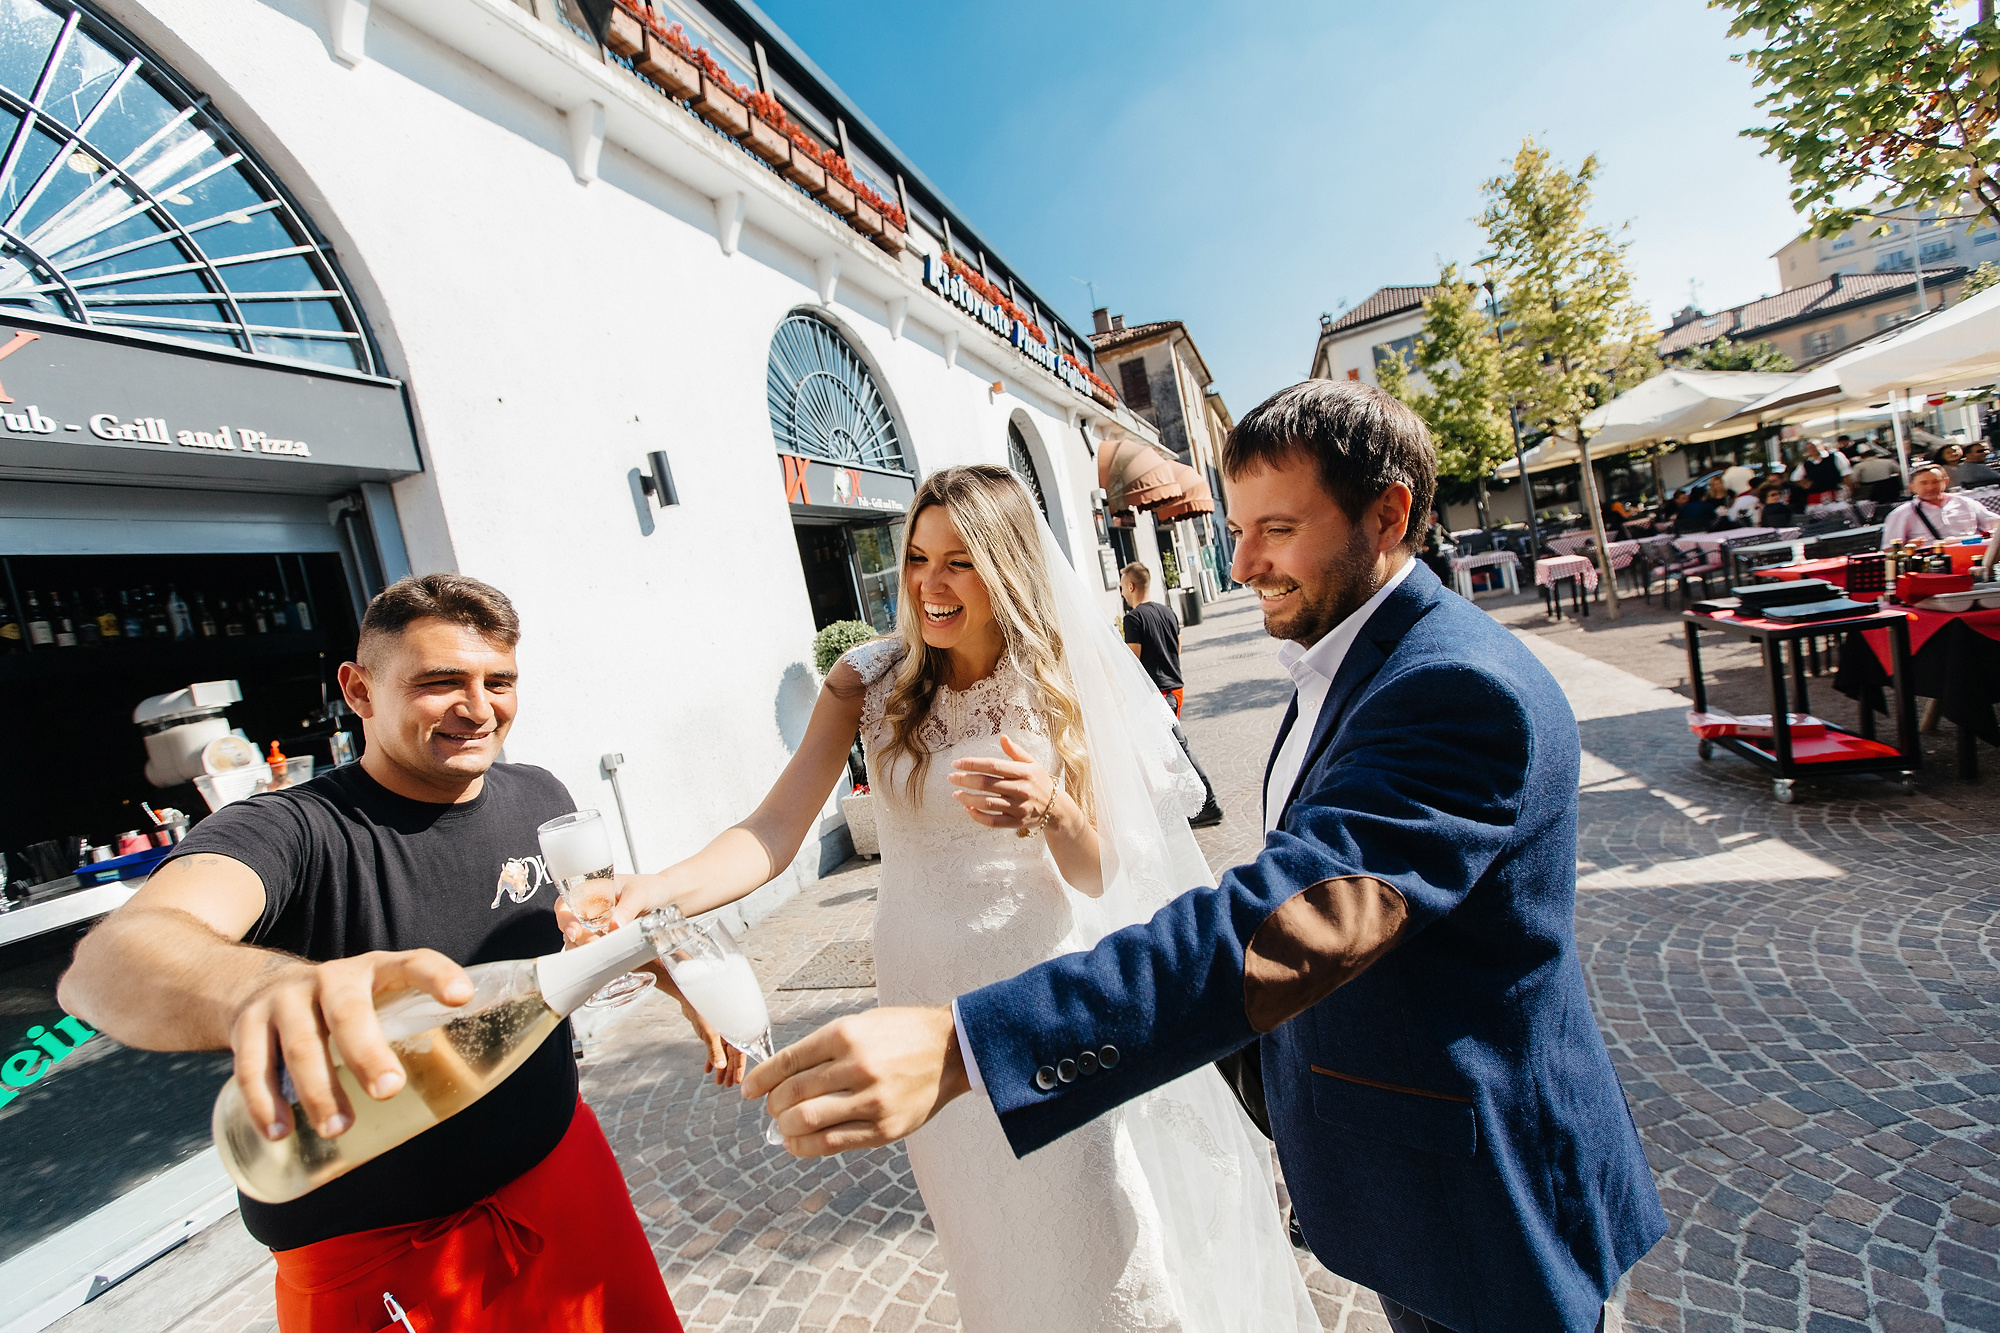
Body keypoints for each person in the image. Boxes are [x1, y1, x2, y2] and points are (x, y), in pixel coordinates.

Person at [745, 382, 1667, 1333]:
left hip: (1485, 1192)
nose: (1242, 561)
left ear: (1388, 513)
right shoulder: (1353, 660)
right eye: (1237, 526)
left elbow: (1285, 916)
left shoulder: (1451, 685)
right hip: (1408, 1179)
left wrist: (969, 1044)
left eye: (1276, 527)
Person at [598, 465, 1316, 1333]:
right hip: (917, 1008)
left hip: (1034, 1006)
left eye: (960, 562)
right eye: (916, 558)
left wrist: (1051, 808)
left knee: (1093, 1227)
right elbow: (774, 830)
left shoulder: (1059, 685)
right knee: (990, 1246)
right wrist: (656, 887)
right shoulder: (868, 683)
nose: (929, 586)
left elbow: (1098, 874)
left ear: (1006, 566)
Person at [57, 575, 703, 1333]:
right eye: (439, 682)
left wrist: (670, 970)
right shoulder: (293, 829)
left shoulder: (537, 794)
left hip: (566, 1175)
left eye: (499, 681)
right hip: (385, 1261)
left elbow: (578, 935)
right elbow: (108, 963)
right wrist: (264, 986)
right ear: (359, 690)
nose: (478, 706)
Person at [1880, 461, 2000, 546]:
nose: (1931, 487)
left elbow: (1994, 523)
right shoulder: (1901, 514)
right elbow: (1888, 550)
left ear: (1945, 482)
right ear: (1911, 487)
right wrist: (1908, 548)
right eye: (1924, 483)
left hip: (1973, 552)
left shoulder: (1965, 502)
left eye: (1935, 481)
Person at [1119, 560, 1185, 715]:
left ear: (1131, 587)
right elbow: (1178, 648)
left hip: (1155, 694)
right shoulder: (1168, 612)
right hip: (1176, 690)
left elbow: (1133, 660)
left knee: (1167, 739)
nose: (1122, 593)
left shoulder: (1133, 619)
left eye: (1122, 587)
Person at [1790, 437, 1851, 503]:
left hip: (1836, 492)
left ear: (1821, 446)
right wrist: (1804, 484)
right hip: (1817, 495)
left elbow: (1846, 474)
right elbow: (1794, 477)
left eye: (1814, 446)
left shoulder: (1835, 456)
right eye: (1809, 448)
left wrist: (1848, 490)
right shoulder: (1806, 464)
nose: (1812, 449)